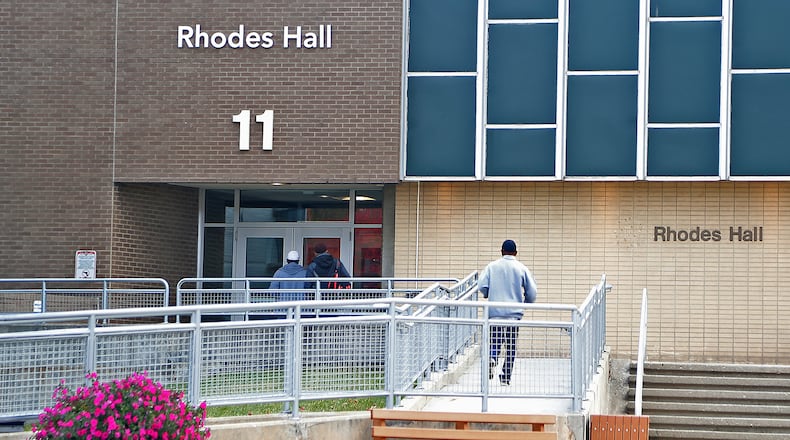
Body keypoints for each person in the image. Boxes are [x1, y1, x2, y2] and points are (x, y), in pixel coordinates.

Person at [478, 239, 537, 386]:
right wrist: (526, 303)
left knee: (496, 340)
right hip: (513, 314)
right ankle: (505, 377)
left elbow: (481, 285)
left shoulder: (492, 267)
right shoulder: (521, 268)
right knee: (511, 345)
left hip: (495, 312)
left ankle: (492, 357)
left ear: (501, 251)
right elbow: (532, 292)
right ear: (516, 253)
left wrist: (487, 294)